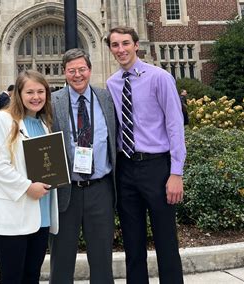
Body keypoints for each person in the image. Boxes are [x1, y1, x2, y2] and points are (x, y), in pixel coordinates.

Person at [106, 26, 186, 284]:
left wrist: (176, 172)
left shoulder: (159, 78)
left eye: (125, 43)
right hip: (126, 169)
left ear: (136, 45)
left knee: (165, 241)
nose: (121, 49)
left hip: (156, 168)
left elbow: (175, 126)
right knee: (132, 242)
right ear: (110, 49)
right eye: (115, 45)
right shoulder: (112, 83)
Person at [0, 70, 58, 284]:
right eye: (30, 92)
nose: (36, 97)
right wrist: (27, 187)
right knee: (13, 278)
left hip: (41, 216)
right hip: (13, 215)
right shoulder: (2, 120)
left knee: (32, 277)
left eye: (41, 91)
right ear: (19, 94)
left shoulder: (44, 124)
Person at [49, 48, 117, 284]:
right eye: (71, 71)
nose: (77, 75)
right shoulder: (52, 101)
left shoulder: (106, 98)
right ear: (64, 72)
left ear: (89, 70)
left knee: (101, 258)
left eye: (82, 69)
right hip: (67, 189)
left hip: (100, 188)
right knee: (62, 258)